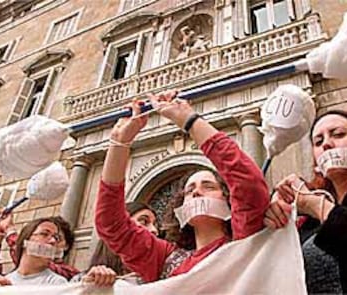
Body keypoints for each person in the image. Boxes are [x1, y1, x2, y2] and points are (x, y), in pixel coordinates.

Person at [95, 90, 269, 283]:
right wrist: (119, 143)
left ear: (228, 199)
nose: (196, 192)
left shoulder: (245, 239)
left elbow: (247, 181)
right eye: (189, 190)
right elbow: (111, 223)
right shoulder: (165, 260)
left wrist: (189, 120)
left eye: (209, 186)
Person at [264, 110, 347, 294]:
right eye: (318, 142)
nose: (327, 145)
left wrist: (317, 205)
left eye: (338, 134)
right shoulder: (310, 219)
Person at [0, 211, 80, 280]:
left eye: (57, 238)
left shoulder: (71, 275)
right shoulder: (10, 279)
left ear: (66, 246)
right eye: (44, 234)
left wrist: (9, 229)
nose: (52, 241)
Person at [71, 202, 158, 284]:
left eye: (156, 225)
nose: (154, 230)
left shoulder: (159, 281)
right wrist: (88, 289)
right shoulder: (81, 280)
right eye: (143, 222)